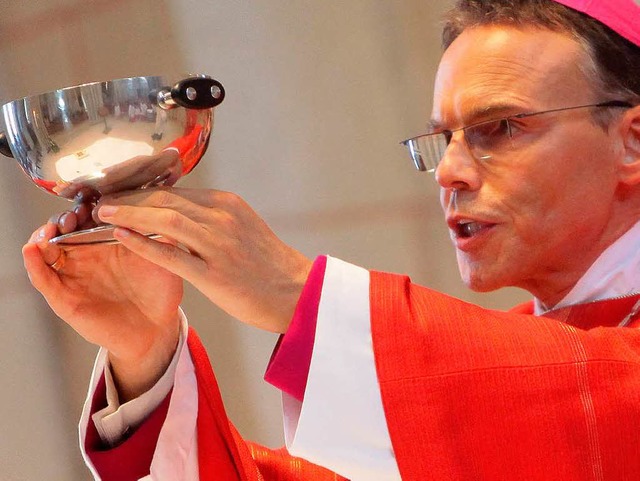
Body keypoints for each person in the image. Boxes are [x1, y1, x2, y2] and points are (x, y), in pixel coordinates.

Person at [22, 0, 640, 479]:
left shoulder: (510, 377)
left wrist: (297, 293)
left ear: (631, 142)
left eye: (500, 127)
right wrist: (145, 357)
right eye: (442, 140)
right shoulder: (490, 372)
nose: (450, 172)